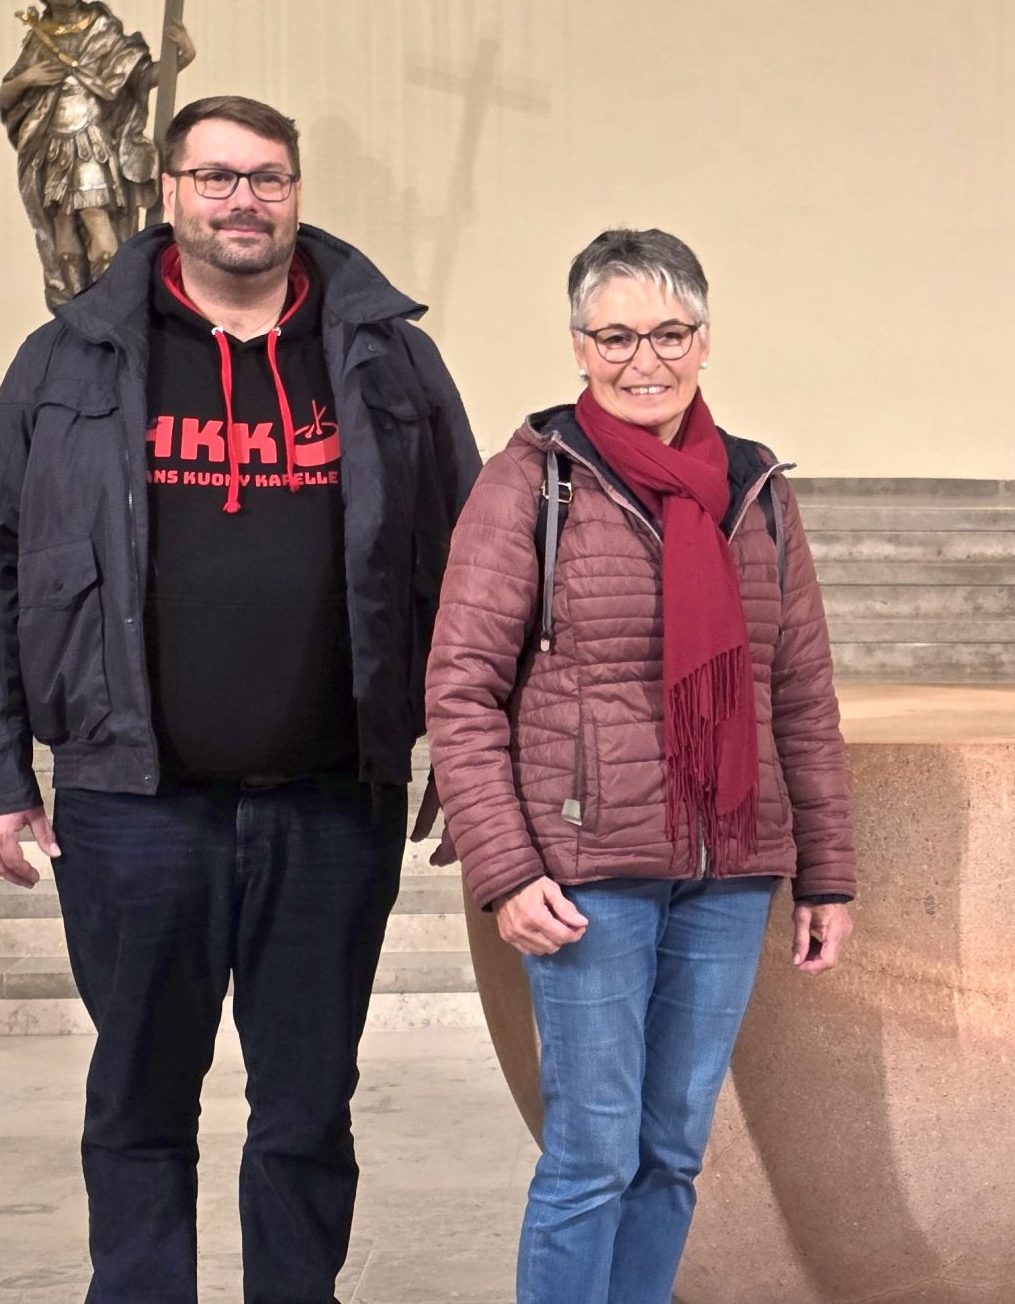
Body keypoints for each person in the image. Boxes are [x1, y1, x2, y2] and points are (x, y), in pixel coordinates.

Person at [0, 93, 479, 1302]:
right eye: (217, 177)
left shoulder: (387, 357)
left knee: (307, 1105)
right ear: (169, 191)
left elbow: (471, 564)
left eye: (268, 177)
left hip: (332, 804)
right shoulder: (70, 359)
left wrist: (466, 747)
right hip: (134, 806)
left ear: (297, 191)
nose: (245, 200)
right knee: (138, 1100)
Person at [425, 227, 856, 1304]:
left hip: (729, 870)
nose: (643, 360)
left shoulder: (756, 488)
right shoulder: (532, 482)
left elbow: (800, 693)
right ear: (580, 347)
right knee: (591, 1157)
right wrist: (506, 871)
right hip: (589, 876)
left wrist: (827, 874)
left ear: (704, 340)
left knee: (672, 1152)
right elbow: (461, 692)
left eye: (667, 333)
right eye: (615, 337)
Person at [0, 0, 195, 308]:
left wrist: (180, 59)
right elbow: (6, 96)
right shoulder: (38, 39)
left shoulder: (101, 29)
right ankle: (76, 309)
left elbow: (139, 78)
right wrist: (27, 78)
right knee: (62, 224)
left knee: (96, 217)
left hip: (91, 140)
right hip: (49, 144)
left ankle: (112, 304)